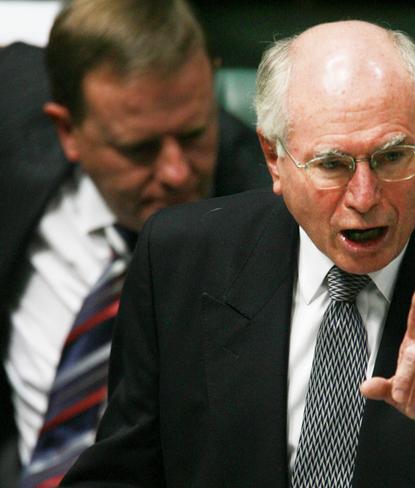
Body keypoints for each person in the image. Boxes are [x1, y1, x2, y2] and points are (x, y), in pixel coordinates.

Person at [60, 20, 415, 488]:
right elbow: (120, 473)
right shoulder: (181, 260)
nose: (364, 197)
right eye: (331, 164)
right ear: (275, 159)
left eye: (392, 156)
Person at [0, 0, 269, 485]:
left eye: (193, 133)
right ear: (67, 130)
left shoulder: (271, 212)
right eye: (139, 148)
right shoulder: (10, 114)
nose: (177, 171)